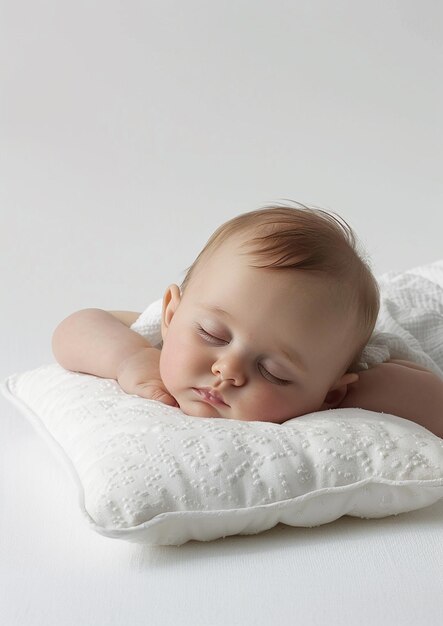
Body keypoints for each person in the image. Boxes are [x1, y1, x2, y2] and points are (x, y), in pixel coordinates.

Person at [52, 203, 443, 437]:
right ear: (172, 314)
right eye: (212, 335)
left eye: (273, 371)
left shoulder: (343, 377)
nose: (228, 370)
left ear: (330, 393)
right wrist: (128, 358)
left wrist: (356, 393)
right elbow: (78, 326)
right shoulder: (166, 328)